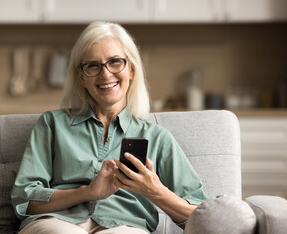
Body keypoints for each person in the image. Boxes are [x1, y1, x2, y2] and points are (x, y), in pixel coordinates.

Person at [11, 21, 208, 234]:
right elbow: (25, 200)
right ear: (82, 77)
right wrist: (88, 192)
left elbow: (200, 217)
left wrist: (154, 191)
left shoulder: (157, 138)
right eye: (93, 66)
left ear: (131, 70)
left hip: (125, 226)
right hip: (57, 222)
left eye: (115, 62)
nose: (105, 74)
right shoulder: (52, 124)